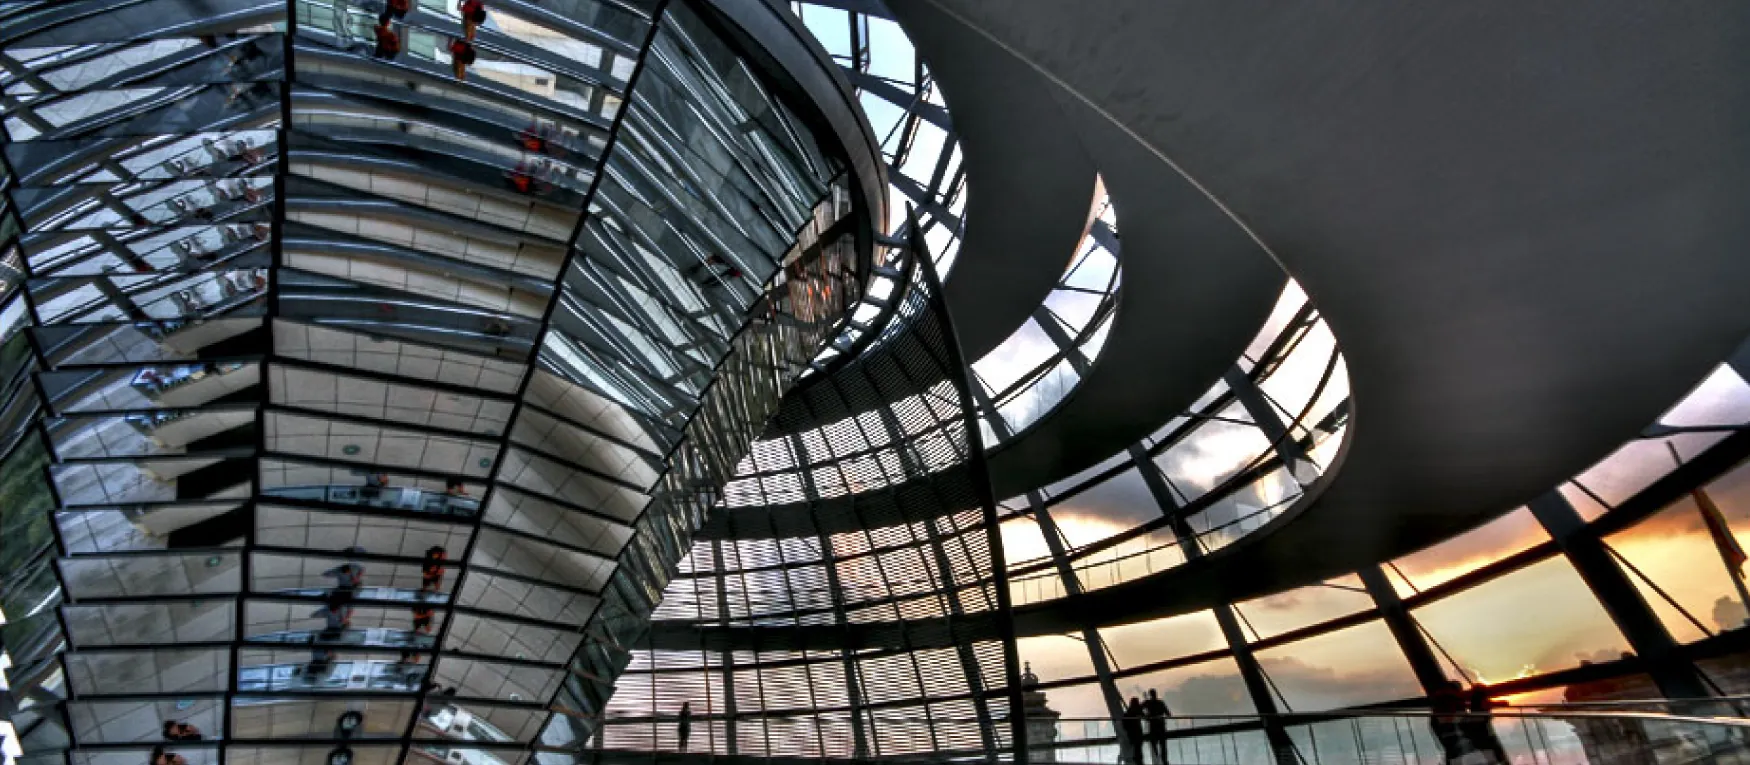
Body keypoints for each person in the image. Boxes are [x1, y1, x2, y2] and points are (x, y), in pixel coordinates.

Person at [1463, 684, 1510, 763]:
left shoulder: (1472, 703)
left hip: (1476, 734)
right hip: (1486, 733)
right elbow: (1505, 703)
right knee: (1498, 756)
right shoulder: (1484, 702)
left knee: (1489, 756)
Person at [1429, 680, 1468, 764]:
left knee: (1452, 751)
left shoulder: (1441, 699)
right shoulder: (1451, 699)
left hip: (1444, 728)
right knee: (1454, 751)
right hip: (1448, 728)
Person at [1141, 689, 1170, 764]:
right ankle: (1164, 760)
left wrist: (1145, 717)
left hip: (1153, 725)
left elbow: (1138, 708)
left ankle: (1157, 757)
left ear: (1150, 695)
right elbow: (1168, 714)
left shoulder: (1148, 703)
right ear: (1155, 694)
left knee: (1154, 742)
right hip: (1161, 725)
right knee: (1162, 744)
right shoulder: (1160, 703)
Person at [1121, 697, 1146, 765]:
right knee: (1138, 747)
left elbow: (1124, 724)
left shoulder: (1129, 712)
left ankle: (1137, 760)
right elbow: (1144, 716)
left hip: (1132, 733)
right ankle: (1138, 760)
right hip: (1137, 732)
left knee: (1137, 747)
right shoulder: (1136, 711)